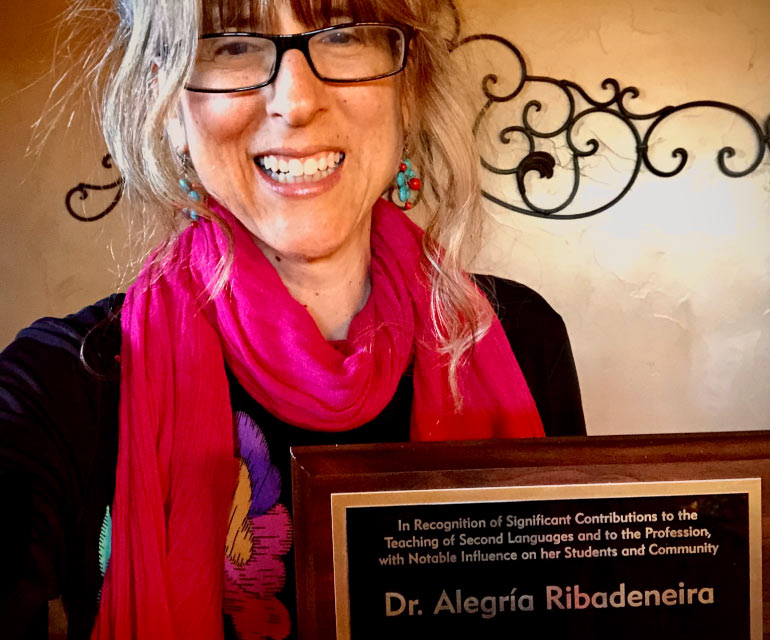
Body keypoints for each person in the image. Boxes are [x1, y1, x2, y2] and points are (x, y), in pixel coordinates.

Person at [0, 0, 585, 638]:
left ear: (406, 88)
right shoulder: (62, 382)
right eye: (229, 44)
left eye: (343, 32)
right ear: (166, 106)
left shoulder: (521, 337)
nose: (296, 99)